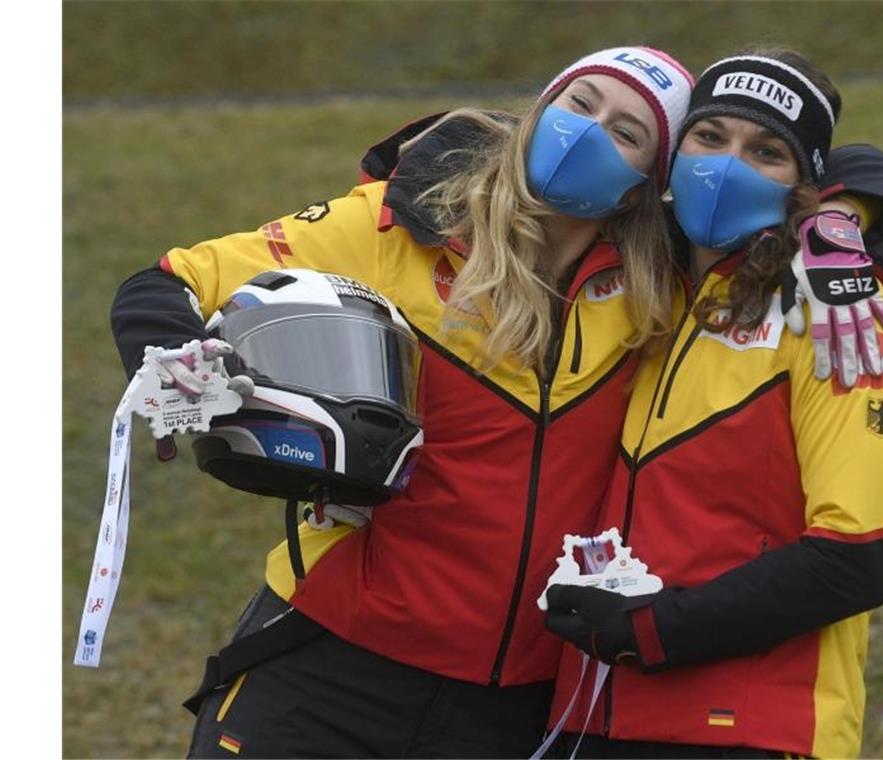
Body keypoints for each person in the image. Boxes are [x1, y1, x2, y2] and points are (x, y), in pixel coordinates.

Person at [110, 46, 696, 758]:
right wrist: (176, 355)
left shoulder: (663, 294)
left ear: (643, 188)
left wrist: (847, 217)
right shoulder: (400, 224)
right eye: (581, 103)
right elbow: (176, 279)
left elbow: (792, 183)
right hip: (328, 667)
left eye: (626, 132)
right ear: (542, 111)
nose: (589, 132)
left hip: (512, 709)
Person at [541, 48, 883, 759]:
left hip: (748, 729)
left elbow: (857, 557)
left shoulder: (838, 309)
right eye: (709, 136)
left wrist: (655, 631)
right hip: (592, 714)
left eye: (766, 151)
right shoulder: (643, 288)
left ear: (805, 187)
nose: (726, 165)